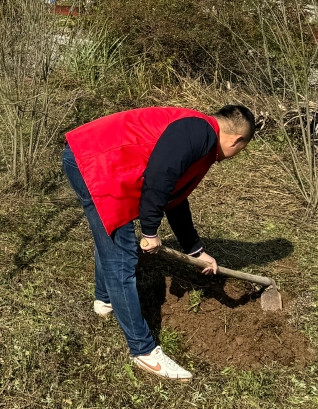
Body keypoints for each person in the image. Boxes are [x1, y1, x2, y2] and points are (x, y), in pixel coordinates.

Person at [62, 104, 256, 381]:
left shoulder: (200, 134)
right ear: (236, 140)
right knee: (122, 257)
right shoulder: (199, 132)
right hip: (94, 162)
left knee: (111, 240)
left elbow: (174, 198)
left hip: (99, 161)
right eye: (241, 150)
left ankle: (104, 300)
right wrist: (150, 231)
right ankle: (143, 351)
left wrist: (195, 250)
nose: (235, 155)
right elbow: (160, 177)